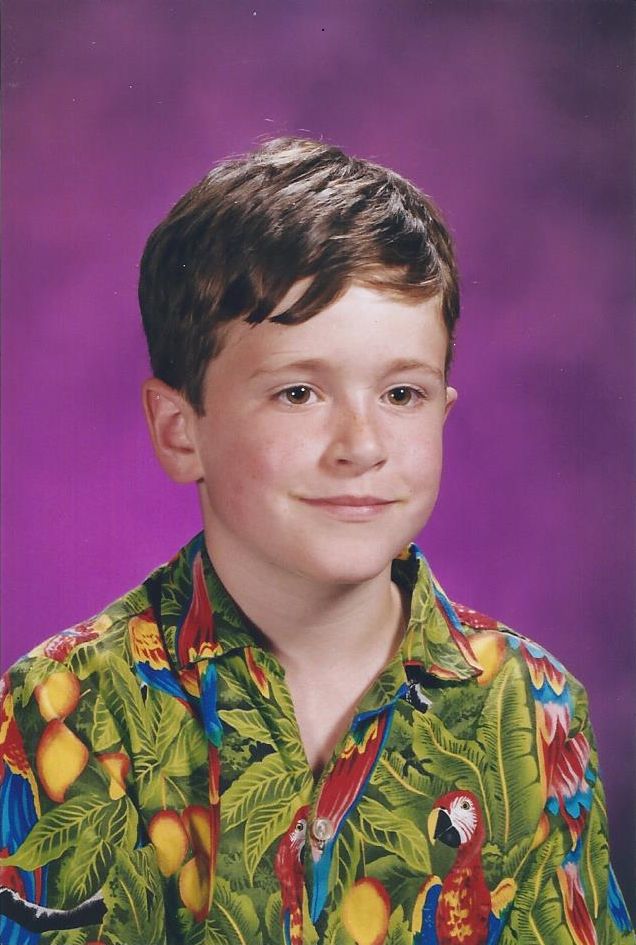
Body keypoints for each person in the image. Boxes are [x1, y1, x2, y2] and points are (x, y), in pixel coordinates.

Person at [0, 137, 632, 945]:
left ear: (442, 410)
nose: (361, 443)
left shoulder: (534, 708)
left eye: (402, 392)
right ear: (179, 429)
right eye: (299, 392)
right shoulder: (63, 708)